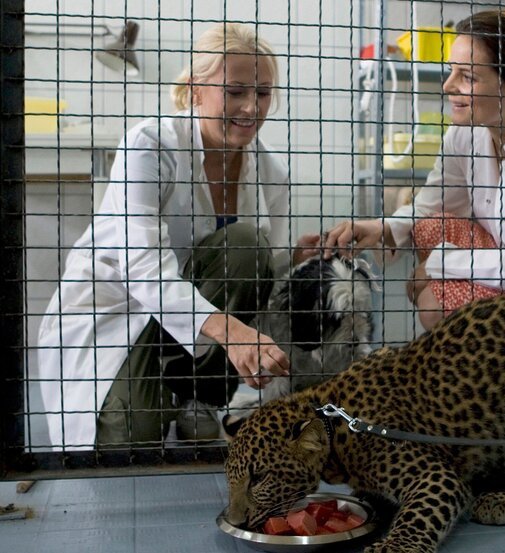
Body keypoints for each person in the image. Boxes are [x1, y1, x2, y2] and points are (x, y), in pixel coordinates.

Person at [37, 23, 320, 449]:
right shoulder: (150, 146)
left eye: (262, 93)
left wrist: (295, 260)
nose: (251, 107)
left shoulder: (272, 172)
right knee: (127, 443)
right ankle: (156, 387)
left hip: (194, 316)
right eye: (235, 91)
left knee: (248, 244)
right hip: (117, 307)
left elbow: (259, 273)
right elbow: (142, 269)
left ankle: (199, 395)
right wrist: (231, 333)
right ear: (195, 90)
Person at [324, 9, 505, 330]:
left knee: (433, 304)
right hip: (503, 274)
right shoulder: (466, 131)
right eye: (451, 71)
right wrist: (381, 228)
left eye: (467, 77)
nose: (448, 86)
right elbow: (433, 207)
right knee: (432, 228)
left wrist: (440, 263)